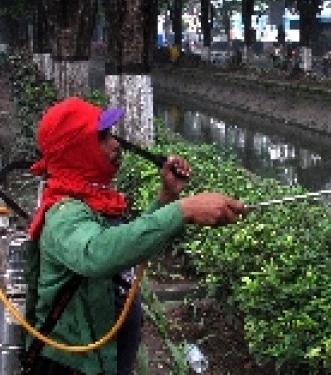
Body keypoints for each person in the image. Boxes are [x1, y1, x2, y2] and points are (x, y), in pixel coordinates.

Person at [26, 97, 247, 375]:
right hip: (73, 367)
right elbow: (98, 254)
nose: (116, 144)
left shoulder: (93, 199)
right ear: (76, 150)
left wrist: (166, 199)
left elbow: (124, 245)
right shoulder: (64, 212)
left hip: (106, 360)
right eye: (103, 137)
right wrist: (183, 211)